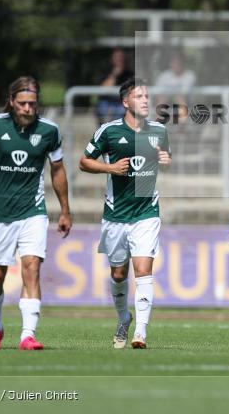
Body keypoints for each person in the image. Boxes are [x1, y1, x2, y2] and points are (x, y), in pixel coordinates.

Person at [0, 76, 72, 351]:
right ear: (11, 102)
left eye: (32, 103)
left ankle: (28, 335)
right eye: (22, 103)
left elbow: (58, 169)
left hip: (33, 211)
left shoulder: (50, 130)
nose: (28, 108)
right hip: (1, 211)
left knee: (32, 268)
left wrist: (65, 210)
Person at [80, 78, 171, 349]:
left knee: (143, 270)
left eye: (147, 96)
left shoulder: (158, 130)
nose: (145, 100)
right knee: (118, 274)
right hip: (115, 215)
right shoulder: (108, 132)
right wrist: (110, 169)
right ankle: (123, 317)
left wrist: (164, 158)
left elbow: (163, 156)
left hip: (146, 212)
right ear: (125, 102)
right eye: (139, 96)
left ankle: (140, 332)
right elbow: (84, 162)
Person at [154, 52, 197, 122]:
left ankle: (182, 126)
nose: (174, 65)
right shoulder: (164, 76)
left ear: (183, 63)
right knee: (161, 100)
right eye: (173, 63)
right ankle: (159, 125)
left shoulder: (190, 76)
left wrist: (173, 95)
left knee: (180, 99)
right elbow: (158, 92)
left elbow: (184, 93)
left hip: (185, 102)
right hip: (167, 101)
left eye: (177, 63)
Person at [96, 48, 134, 125]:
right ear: (112, 60)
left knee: (123, 109)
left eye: (121, 57)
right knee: (103, 107)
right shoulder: (105, 71)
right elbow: (103, 89)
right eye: (117, 58)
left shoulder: (130, 74)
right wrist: (114, 75)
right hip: (107, 102)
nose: (119, 60)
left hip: (122, 103)